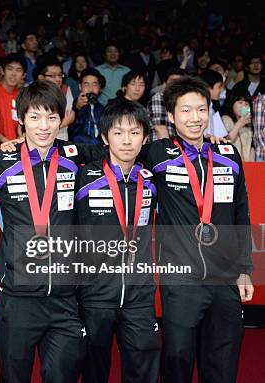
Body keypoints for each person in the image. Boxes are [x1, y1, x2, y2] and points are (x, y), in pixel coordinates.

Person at [0, 80, 105, 383]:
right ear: (21, 118)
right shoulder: (2, 161)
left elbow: (122, 148)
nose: (44, 126)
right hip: (17, 297)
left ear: (62, 119)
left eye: (52, 117)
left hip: (65, 298)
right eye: (35, 117)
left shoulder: (76, 157)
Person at [142, 76, 253, 383]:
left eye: (201, 110)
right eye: (186, 111)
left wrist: (244, 269)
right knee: (177, 358)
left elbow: (241, 213)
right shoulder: (156, 154)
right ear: (171, 116)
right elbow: (108, 153)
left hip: (224, 276)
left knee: (222, 359)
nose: (195, 118)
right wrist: (31, 144)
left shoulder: (228, 155)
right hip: (180, 278)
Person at [75, 100, 159, 383]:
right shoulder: (83, 178)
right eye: (118, 132)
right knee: (94, 368)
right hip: (95, 292)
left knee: (143, 366)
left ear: (145, 138)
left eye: (134, 133)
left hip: (139, 294)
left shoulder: (151, 179)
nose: (126, 140)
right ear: (104, 137)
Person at [0, 53, 25, 154]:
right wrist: (7, 142)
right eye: (10, 69)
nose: (13, 74)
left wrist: (20, 139)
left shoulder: (22, 95)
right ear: (2, 71)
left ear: (24, 75)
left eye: (18, 70)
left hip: (15, 149)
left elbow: (21, 123)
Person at [35, 55, 75, 140]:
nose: (58, 79)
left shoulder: (65, 90)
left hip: (61, 138)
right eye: (52, 76)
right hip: (38, 140)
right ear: (41, 77)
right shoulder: (32, 92)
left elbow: (69, 116)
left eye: (60, 75)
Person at [147, 67, 186, 142]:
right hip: (160, 145)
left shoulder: (181, 100)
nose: (176, 84)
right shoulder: (159, 97)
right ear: (165, 82)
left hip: (176, 146)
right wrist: (169, 150)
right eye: (173, 81)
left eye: (180, 82)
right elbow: (160, 128)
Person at [69, 67, 106, 144]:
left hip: (100, 149)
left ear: (100, 87)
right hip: (80, 149)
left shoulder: (103, 109)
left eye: (94, 85)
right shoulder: (71, 106)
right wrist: (76, 108)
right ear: (80, 87)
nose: (90, 89)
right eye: (86, 85)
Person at [222, 90, 255, 161]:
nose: (243, 106)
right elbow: (226, 142)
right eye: (240, 103)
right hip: (232, 165)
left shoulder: (249, 125)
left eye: (246, 104)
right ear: (232, 104)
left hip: (247, 165)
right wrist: (240, 123)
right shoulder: (226, 119)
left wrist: (251, 165)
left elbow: (252, 148)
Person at [200, 69, 228, 138]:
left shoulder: (212, 108)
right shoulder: (200, 108)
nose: (221, 90)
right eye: (219, 86)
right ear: (208, 87)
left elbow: (222, 136)